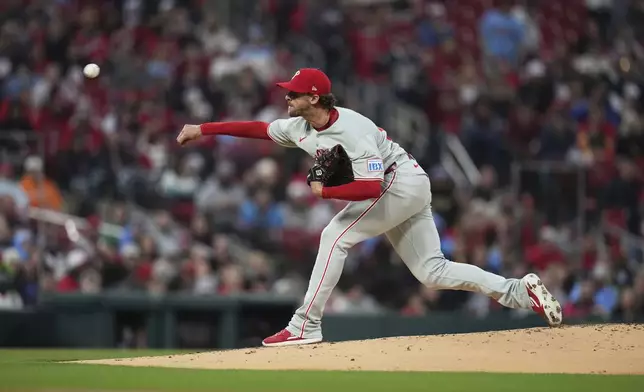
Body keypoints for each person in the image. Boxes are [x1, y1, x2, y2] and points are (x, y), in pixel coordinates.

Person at [176, 68, 563, 347]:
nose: (286, 97)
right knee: (432, 271)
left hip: (400, 181)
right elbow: (258, 129)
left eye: (293, 93)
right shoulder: (299, 128)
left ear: (314, 97)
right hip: (405, 185)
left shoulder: (353, 128)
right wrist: (204, 129)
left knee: (334, 235)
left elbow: (371, 187)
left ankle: (304, 325)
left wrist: (324, 194)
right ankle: (517, 291)